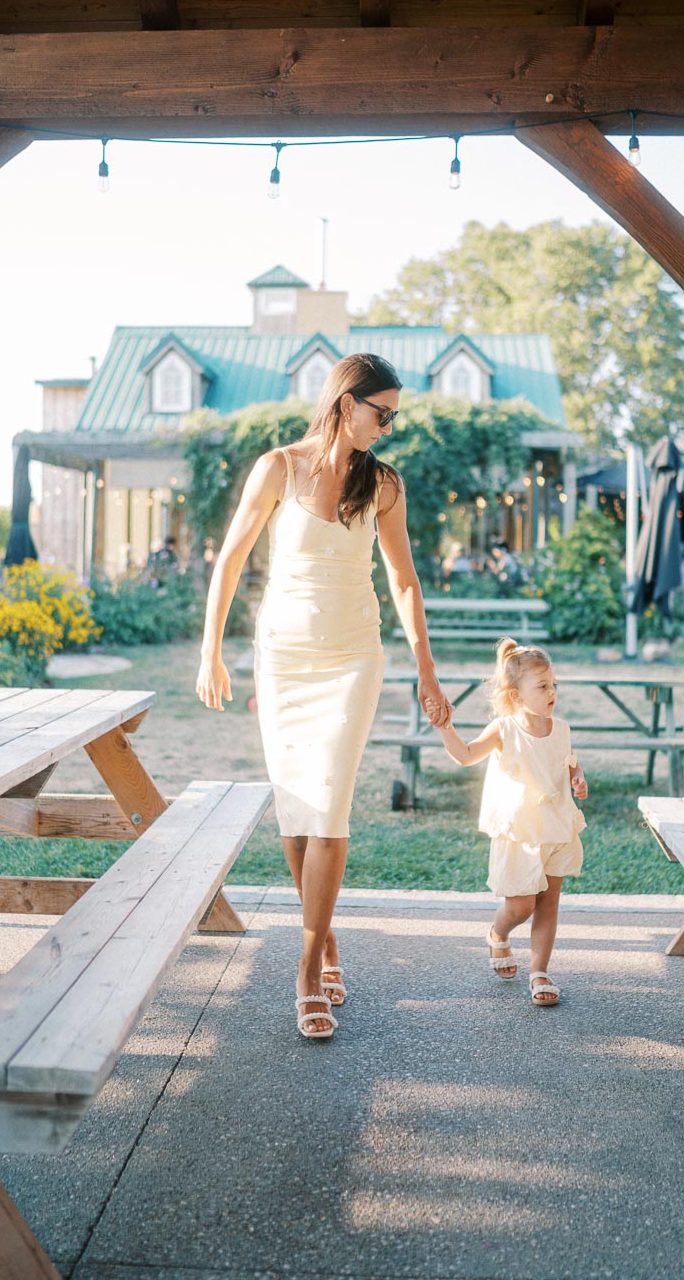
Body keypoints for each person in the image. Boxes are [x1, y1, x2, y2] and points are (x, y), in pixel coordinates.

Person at [196, 353, 451, 1040]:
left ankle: (307, 965)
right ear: (345, 402)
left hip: (351, 659)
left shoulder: (385, 485)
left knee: (330, 806)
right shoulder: (278, 466)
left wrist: (426, 669)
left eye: (395, 415)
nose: (390, 426)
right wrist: (211, 648)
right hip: (282, 658)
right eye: (382, 412)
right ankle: (325, 932)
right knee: (296, 812)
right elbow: (233, 556)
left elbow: (404, 581)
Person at [426, 637, 588, 1008]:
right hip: (521, 831)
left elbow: (568, 762)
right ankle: (499, 933)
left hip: (557, 828)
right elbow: (466, 755)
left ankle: (540, 971)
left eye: (554, 685)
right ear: (516, 696)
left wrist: (579, 778)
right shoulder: (505, 729)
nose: (552, 693)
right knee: (521, 906)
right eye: (542, 686)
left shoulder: (560, 728)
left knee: (548, 902)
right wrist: (445, 726)